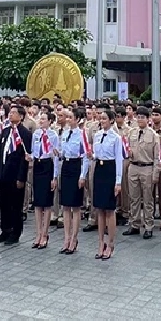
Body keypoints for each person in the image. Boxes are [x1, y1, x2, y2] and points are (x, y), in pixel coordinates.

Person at [90, 108, 124, 260]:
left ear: (111, 120)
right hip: (99, 169)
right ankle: (100, 243)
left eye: (104, 118)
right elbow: (96, 153)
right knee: (99, 209)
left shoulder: (116, 138)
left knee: (109, 210)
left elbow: (119, 160)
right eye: (100, 118)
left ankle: (110, 243)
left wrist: (118, 181)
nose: (102, 121)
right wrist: (93, 155)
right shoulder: (97, 135)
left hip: (110, 170)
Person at [0, 105, 32, 245]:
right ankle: (5, 230)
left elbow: (25, 157)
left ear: (21, 116)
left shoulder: (25, 134)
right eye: (10, 113)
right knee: (3, 204)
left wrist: (21, 177)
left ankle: (15, 233)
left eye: (14, 113)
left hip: (15, 175)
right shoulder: (5, 132)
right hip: (3, 173)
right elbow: (0, 151)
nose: (11, 115)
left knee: (15, 205)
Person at [55, 107, 89, 255]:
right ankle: (66, 238)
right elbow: (63, 152)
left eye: (70, 117)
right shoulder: (65, 133)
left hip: (76, 166)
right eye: (67, 117)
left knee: (75, 206)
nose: (68, 120)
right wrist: (59, 153)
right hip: (66, 166)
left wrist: (83, 175)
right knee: (65, 206)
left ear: (77, 119)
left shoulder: (82, 135)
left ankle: (74, 239)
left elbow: (86, 156)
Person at [123, 108, 159, 240]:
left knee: (148, 199)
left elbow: (157, 157)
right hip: (133, 166)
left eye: (143, 117)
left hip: (147, 168)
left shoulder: (154, 135)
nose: (140, 119)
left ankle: (148, 226)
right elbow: (126, 148)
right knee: (134, 198)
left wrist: (156, 173)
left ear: (148, 119)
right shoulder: (132, 132)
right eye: (138, 117)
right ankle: (134, 224)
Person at [29, 110, 58, 249]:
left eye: (44, 119)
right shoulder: (36, 134)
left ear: (50, 121)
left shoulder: (53, 135)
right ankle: (38, 233)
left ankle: (45, 233)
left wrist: (55, 176)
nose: (41, 121)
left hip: (48, 166)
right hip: (38, 165)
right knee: (38, 202)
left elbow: (56, 157)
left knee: (46, 203)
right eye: (40, 119)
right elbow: (33, 150)